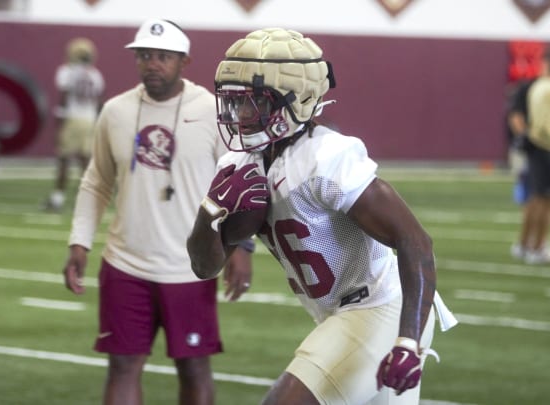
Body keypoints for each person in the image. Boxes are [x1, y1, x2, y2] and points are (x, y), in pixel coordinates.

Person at [187, 28, 458, 405]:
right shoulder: (237, 164)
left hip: (379, 309)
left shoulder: (326, 158)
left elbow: (415, 241)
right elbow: (204, 267)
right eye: (234, 102)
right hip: (340, 315)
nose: (241, 115)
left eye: (255, 102)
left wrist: (408, 341)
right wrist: (209, 214)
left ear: (297, 100)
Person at [62, 19, 254, 405]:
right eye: (145, 55)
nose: (152, 63)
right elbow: (96, 181)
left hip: (191, 267)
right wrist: (79, 242)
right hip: (125, 264)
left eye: (163, 56)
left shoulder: (214, 112)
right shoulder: (115, 111)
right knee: (122, 365)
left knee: (195, 367)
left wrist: (243, 249)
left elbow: (240, 184)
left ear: (184, 61)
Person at [511, 50, 550, 264]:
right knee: (544, 199)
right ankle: (537, 247)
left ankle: (525, 244)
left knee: (536, 198)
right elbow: (546, 126)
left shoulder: (540, 86)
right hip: (543, 148)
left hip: (538, 147)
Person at [44, 37, 105, 211]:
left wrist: (60, 119)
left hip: (72, 118)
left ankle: (57, 198)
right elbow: (99, 102)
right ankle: (91, 199)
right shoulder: (95, 74)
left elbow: (64, 96)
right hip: (89, 120)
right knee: (85, 161)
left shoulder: (67, 72)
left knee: (64, 160)